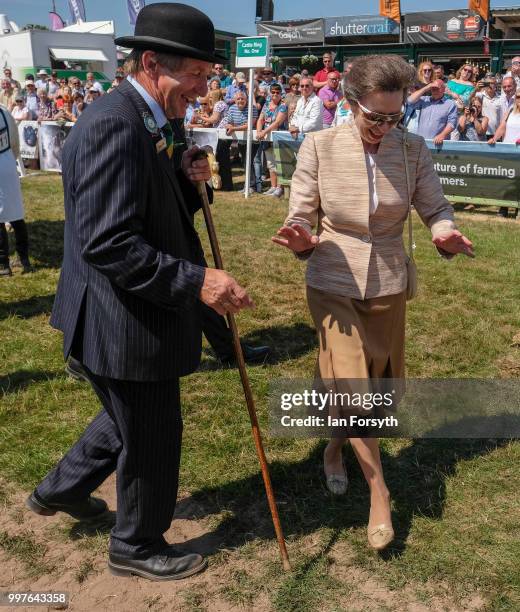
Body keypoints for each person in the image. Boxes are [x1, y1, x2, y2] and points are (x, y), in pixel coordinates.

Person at [25, 2, 253, 581]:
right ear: (152, 62)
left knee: (125, 415)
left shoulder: (152, 116)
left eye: (207, 77)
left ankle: (59, 490)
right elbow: (108, 243)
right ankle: (137, 544)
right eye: (196, 76)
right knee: (151, 429)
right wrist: (198, 281)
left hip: (129, 310)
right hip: (122, 315)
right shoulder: (113, 122)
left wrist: (187, 170)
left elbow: (151, 194)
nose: (203, 91)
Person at [272, 54, 474, 552]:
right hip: (332, 280)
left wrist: (443, 231)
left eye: (394, 116)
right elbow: (301, 210)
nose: (384, 126)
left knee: (375, 387)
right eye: (374, 117)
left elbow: (435, 206)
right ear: (349, 103)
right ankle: (380, 494)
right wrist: (300, 237)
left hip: (387, 281)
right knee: (357, 387)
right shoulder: (318, 146)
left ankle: (333, 451)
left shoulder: (412, 149)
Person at [0, 104, 32, 275]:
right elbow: (15, 143)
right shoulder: (5, 111)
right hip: (7, 163)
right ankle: (24, 259)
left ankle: (3, 264)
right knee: (16, 215)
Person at [488, 90, 520, 219]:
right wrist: (494, 138)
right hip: (507, 151)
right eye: (518, 96)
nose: (519, 98)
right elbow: (502, 126)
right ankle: (504, 207)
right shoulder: (510, 110)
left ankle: (518, 209)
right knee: (506, 180)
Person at [255, 83, 288, 198]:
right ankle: (273, 186)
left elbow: (277, 122)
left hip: (278, 138)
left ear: (281, 94)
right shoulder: (266, 105)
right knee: (270, 164)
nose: (275, 94)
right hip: (267, 139)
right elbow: (260, 119)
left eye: (277, 92)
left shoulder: (283, 106)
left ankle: (280, 188)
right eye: (273, 92)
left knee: (279, 163)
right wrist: (259, 131)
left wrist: (264, 132)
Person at [406, 79, 458, 145]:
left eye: (437, 88)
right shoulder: (424, 100)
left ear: (443, 89)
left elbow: (452, 123)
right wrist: (426, 87)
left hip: (439, 143)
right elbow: (409, 101)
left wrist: (442, 135)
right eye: (432, 88)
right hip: (421, 142)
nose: (434, 90)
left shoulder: (450, 104)